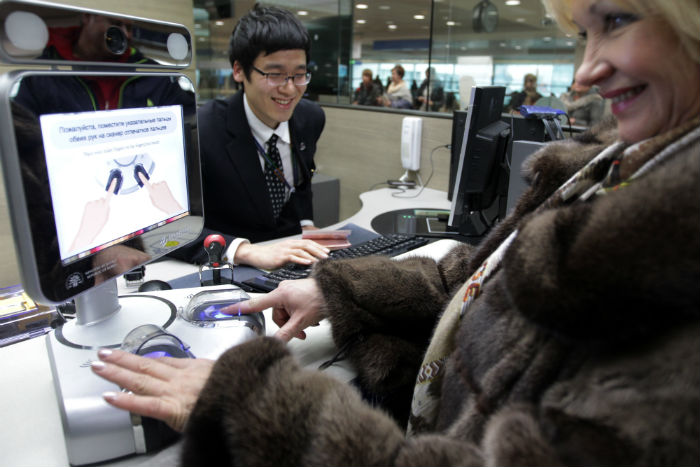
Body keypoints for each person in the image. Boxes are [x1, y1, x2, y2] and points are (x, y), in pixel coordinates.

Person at [92, 0, 700, 465]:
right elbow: (164, 233)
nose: (587, 70)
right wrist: (326, 284)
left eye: (618, 20)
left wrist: (254, 400)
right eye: (582, 34)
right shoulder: (620, 166)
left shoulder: (309, 116)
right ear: (239, 74)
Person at [168, 5, 330, 270]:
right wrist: (244, 251)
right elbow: (172, 231)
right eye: (274, 74)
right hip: (230, 265)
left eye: (299, 74)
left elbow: (301, 182)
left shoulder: (311, 118)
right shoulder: (202, 132)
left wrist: (305, 224)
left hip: (292, 256)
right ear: (239, 71)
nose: (290, 89)